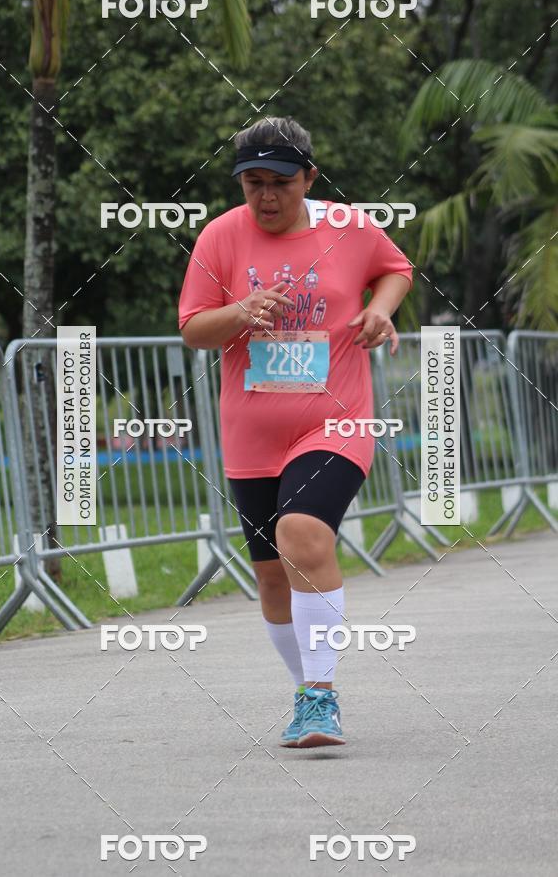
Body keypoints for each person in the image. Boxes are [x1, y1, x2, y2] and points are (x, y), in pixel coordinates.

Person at [178, 116, 412, 748]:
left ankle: (320, 696)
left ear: (309, 177)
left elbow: (396, 269)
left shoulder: (349, 228)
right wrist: (239, 311)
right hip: (252, 435)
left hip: (335, 421)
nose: (266, 196)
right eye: (252, 182)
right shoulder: (221, 236)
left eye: (280, 182)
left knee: (302, 533)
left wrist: (379, 309)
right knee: (272, 578)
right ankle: (307, 690)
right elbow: (193, 327)